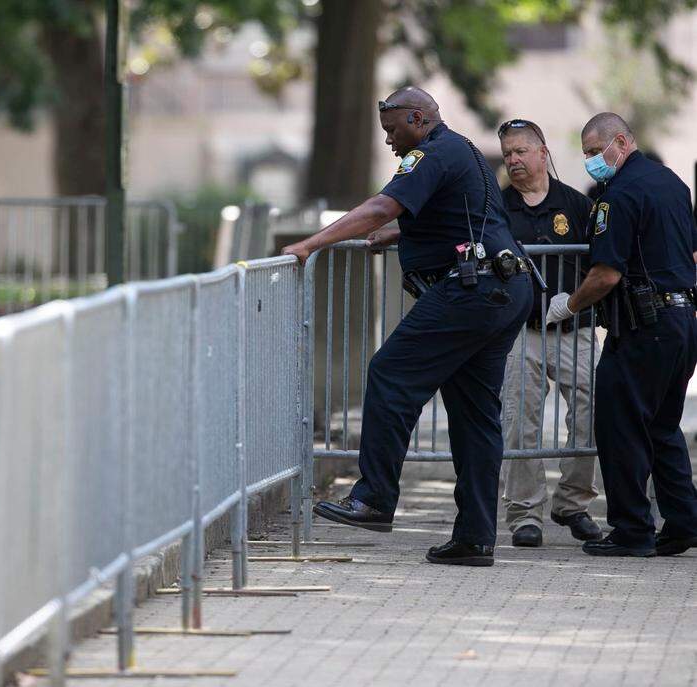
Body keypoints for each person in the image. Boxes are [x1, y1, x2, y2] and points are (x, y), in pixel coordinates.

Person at [282, 87, 532, 566]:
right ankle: (475, 538)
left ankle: (374, 498)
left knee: (390, 373)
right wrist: (408, 230)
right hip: (504, 288)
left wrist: (310, 244)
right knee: (476, 417)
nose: (391, 142)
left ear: (418, 118)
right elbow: (475, 215)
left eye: (394, 130)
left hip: (472, 292)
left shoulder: (431, 154)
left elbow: (380, 206)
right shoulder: (464, 153)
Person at [546, 112, 697, 557]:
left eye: (595, 151)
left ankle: (632, 530)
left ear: (622, 142)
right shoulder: (672, 183)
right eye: (587, 154)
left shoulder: (619, 196)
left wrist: (568, 305)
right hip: (681, 322)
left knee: (621, 427)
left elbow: (606, 274)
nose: (592, 161)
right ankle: (683, 522)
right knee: (662, 428)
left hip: (641, 327)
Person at [495, 119, 602, 547]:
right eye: (507, 154)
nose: (514, 160)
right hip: (521, 330)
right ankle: (525, 514)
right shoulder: (497, 209)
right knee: (520, 422)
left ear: (543, 152)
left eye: (521, 151)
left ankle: (572, 504)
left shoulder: (577, 205)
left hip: (575, 327)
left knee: (593, 415)